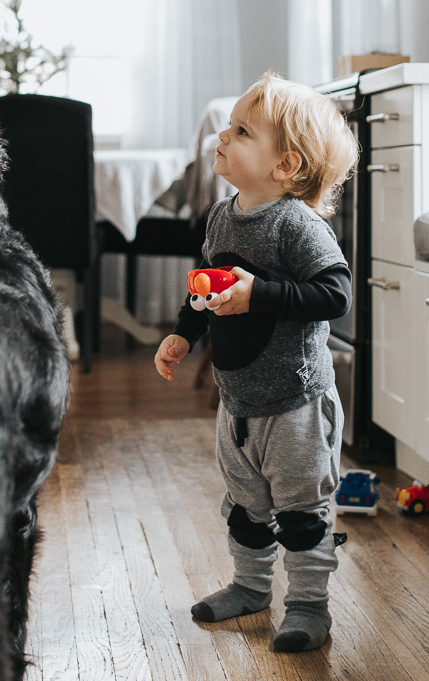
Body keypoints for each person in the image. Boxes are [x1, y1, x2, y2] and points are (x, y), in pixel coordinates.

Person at [154, 72, 358, 653]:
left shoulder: (297, 226)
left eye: (243, 129)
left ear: (286, 166)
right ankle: (250, 586)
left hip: (295, 405)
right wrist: (183, 333)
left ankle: (309, 607)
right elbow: (206, 286)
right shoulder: (223, 217)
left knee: (301, 514)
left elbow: (336, 294)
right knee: (246, 507)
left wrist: (259, 295)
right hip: (238, 401)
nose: (224, 133)